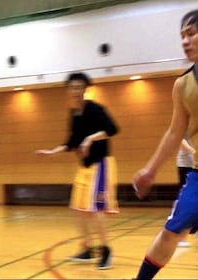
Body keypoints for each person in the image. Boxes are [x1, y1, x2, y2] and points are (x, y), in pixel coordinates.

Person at [132, 9, 198, 280]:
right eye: (182, 35)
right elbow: (174, 132)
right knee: (172, 231)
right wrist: (150, 170)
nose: (185, 40)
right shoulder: (182, 85)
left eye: (191, 33)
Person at [35, 72, 119, 270]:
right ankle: (88, 248)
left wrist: (90, 139)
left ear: (85, 89)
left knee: (96, 210)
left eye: (79, 87)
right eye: (72, 87)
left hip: (101, 164)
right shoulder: (74, 115)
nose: (75, 91)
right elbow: (71, 142)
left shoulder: (95, 109)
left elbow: (113, 129)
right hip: (85, 168)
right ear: (68, 90)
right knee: (79, 209)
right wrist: (51, 152)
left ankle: (106, 251)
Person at [175, 136, 195, 247]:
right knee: (186, 201)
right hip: (186, 165)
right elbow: (179, 139)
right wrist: (193, 151)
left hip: (195, 165)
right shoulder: (186, 120)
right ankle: (181, 236)